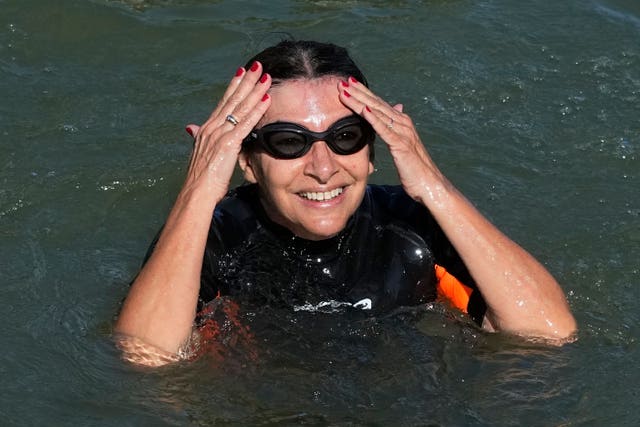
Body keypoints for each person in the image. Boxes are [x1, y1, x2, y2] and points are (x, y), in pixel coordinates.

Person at [114, 40, 576, 366]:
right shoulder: (215, 234)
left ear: (373, 153)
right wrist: (198, 192)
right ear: (248, 163)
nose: (323, 165)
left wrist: (432, 185)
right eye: (289, 142)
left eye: (345, 137)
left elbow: (550, 333)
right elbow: (146, 357)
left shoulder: (411, 227)